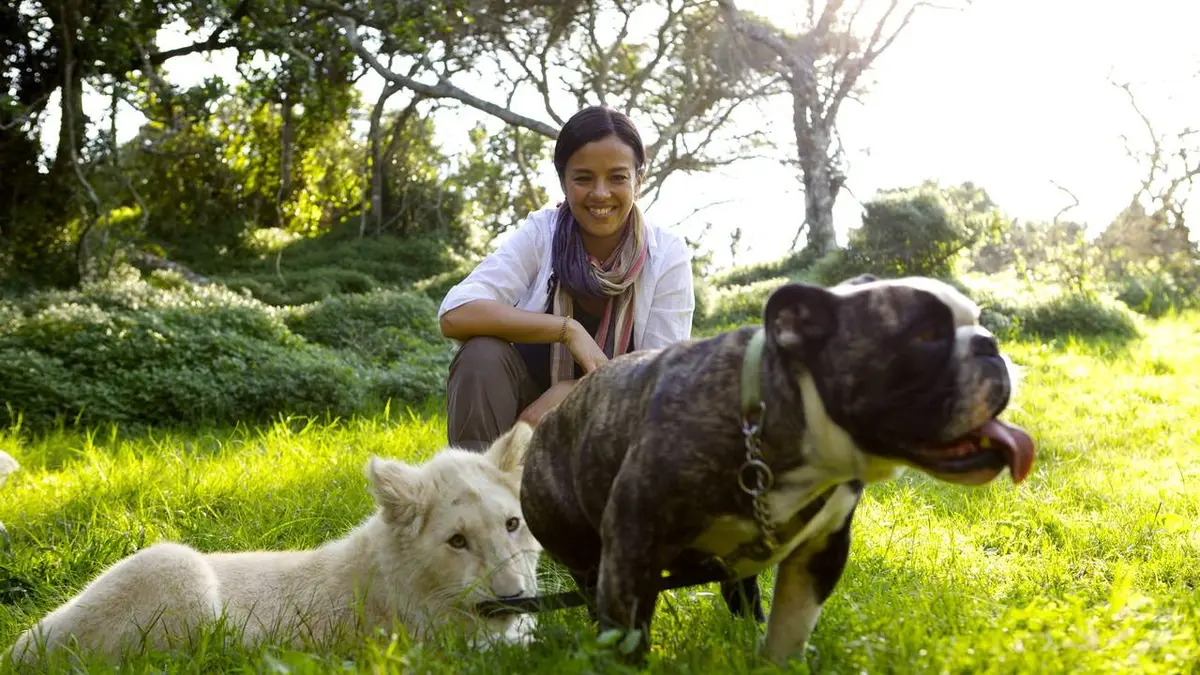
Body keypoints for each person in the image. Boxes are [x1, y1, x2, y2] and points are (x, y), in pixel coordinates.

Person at [436, 104, 765, 623]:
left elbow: (657, 378)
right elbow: (455, 313)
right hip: (516, 419)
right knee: (480, 354)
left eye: (617, 177)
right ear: (563, 180)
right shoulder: (543, 233)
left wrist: (566, 397)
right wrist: (567, 330)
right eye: (582, 178)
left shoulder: (666, 254)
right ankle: (474, 512)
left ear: (640, 177)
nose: (600, 194)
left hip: (611, 431)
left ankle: (601, 545)